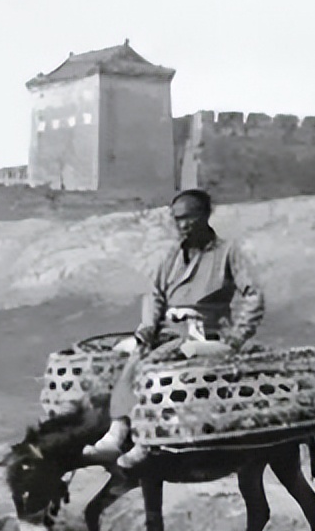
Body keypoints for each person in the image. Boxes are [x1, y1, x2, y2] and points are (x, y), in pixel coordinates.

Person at [84, 189, 265, 469]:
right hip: (166, 330)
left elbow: (253, 294)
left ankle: (142, 439)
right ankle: (116, 428)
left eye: (189, 218)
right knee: (122, 354)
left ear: (205, 216)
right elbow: (155, 294)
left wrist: (238, 336)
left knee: (152, 365)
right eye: (177, 220)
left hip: (203, 332)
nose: (183, 225)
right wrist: (146, 328)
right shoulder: (171, 256)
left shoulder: (228, 253)